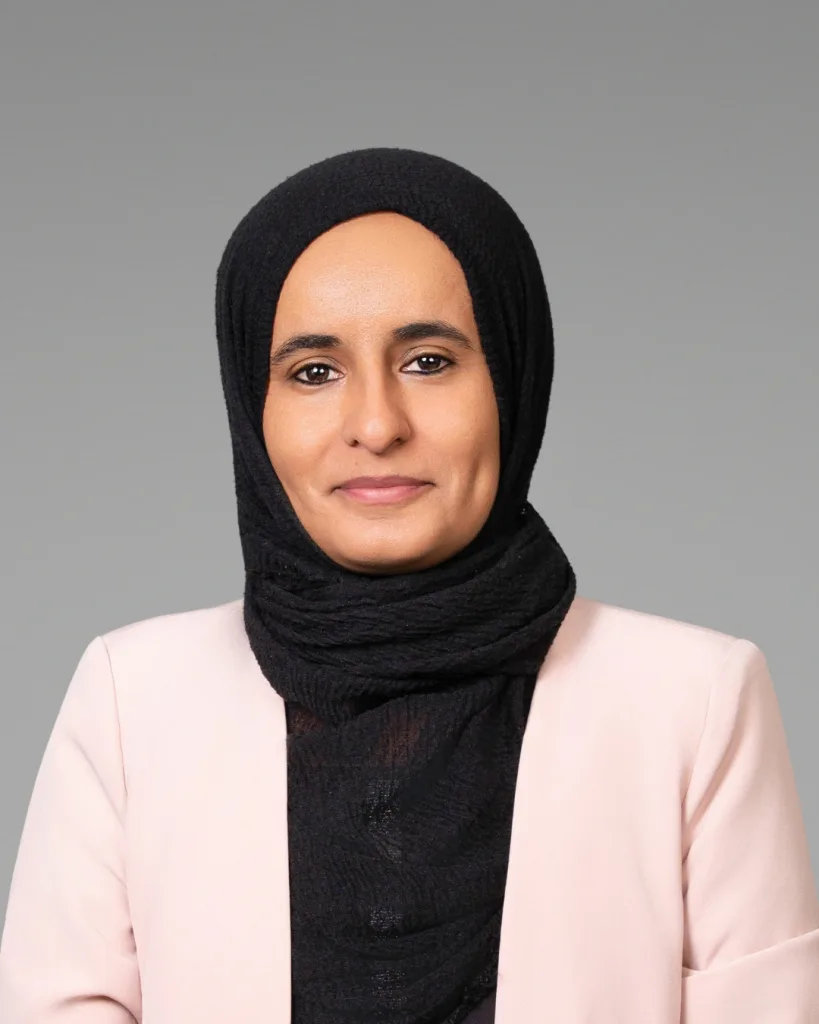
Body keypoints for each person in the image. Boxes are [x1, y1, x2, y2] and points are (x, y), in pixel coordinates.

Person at [1, 147, 817, 1024]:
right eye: (314, 372)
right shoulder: (132, 700)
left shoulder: (693, 702)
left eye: (428, 360)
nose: (378, 425)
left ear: (512, 378)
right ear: (252, 405)